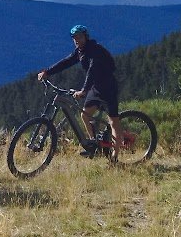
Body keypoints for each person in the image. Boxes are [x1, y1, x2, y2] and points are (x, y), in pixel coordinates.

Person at [37, 24, 124, 161]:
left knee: (113, 122)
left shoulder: (94, 51)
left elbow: (92, 71)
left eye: (79, 37)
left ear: (86, 37)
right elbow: (66, 62)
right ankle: (94, 145)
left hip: (108, 88)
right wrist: (47, 72)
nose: (76, 40)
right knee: (85, 115)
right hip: (96, 88)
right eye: (74, 38)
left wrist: (83, 91)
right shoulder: (80, 51)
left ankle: (115, 156)